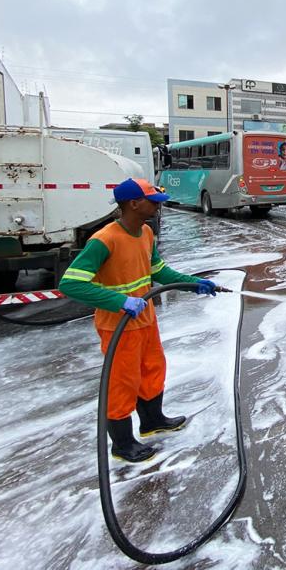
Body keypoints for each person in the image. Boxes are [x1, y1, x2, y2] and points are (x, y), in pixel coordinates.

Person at [59, 178, 219, 462]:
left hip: (145, 319)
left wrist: (194, 283)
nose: (158, 205)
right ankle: (122, 444)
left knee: (152, 370)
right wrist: (119, 301)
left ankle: (152, 421)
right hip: (118, 326)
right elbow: (71, 284)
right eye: (153, 201)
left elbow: (160, 272)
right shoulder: (104, 240)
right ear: (134, 204)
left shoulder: (145, 233)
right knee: (122, 382)